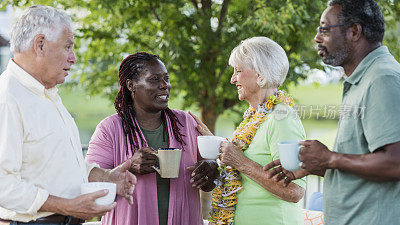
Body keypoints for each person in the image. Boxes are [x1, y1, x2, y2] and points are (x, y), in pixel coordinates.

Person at [264, 1, 400, 225]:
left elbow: (395, 163)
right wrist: (319, 166)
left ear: (354, 31)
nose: (317, 38)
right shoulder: (363, 79)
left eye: (324, 29)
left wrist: (330, 158)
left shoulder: (381, 79)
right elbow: (369, 166)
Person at [0, 5, 137, 225]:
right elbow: (3, 185)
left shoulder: (46, 94)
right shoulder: (7, 98)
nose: (73, 58)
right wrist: (65, 205)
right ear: (40, 45)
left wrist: (106, 177)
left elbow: (58, 165)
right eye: (67, 47)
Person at [85, 52, 219, 225]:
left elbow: (209, 181)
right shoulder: (109, 129)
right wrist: (129, 167)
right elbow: (92, 184)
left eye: (166, 79)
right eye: (154, 79)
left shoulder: (185, 123)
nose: (165, 86)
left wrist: (210, 169)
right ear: (131, 85)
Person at [190, 37, 306, 225]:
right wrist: (216, 145)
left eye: (238, 71)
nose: (232, 79)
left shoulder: (282, 117)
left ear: (260, 74)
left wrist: (241, 162)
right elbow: (242, 171)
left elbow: (294, 191)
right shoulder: (253, 117)